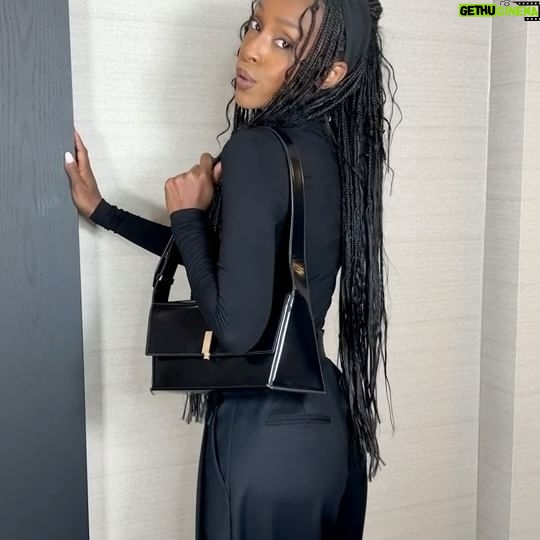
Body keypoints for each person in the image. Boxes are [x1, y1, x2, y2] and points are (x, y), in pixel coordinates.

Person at [64, 0, 400, 538]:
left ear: (331, 73)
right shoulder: (337, 157)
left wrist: (188, 214)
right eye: (256, 25)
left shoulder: (256, 150)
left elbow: (234, 326)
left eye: (283, 41)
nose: (251, 48)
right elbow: (236, 266)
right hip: (331, 428)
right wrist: (108, 213)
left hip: (260, 431)